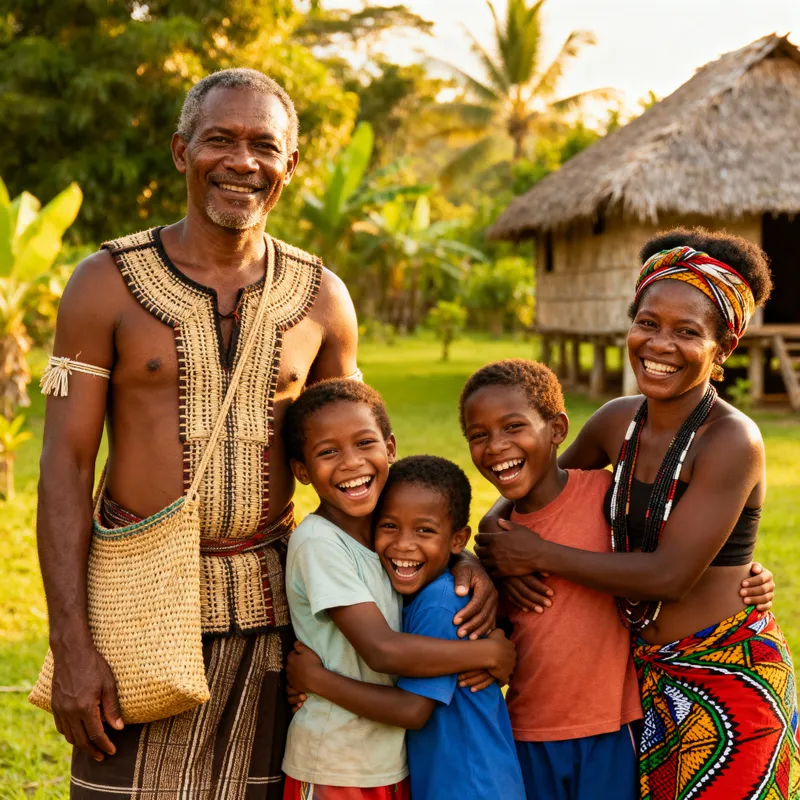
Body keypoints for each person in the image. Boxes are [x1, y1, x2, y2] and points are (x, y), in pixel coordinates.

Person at [35, 68, 495, 799]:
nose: (242, 162)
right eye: (220, 140)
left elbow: (364, 467)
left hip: (280, 618)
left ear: (290, 165)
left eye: (263, 145)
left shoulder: (321, 297)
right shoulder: (105, 283)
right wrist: (71, 645)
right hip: (137, 611)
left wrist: (456, 559)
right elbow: (63, 467)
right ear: (182, 152)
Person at [477, 228, 798, 799]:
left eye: (687, 332)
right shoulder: (616, 421)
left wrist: (537, 552)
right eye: (647, 323)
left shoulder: (731, 440)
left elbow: (670, 576)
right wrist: (494, 533)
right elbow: (529, 490)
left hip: (728, 678)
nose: (659, 344)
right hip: (638, 682)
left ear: (723, 350)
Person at [279, 381, 517, 799]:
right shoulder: (320, 543)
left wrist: (464, 560)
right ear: (301, 471)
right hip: (337, 762)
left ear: (389, 448)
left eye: (364, 443)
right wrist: (487, 653)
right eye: (328, 451)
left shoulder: (379, 538)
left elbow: (424, 537)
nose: (351, 463)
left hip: (386, 763)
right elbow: (382, 650)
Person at [460, 359, 641, 799]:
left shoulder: (605, 495)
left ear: (557, 429)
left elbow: (664, 561)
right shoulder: (498, 544)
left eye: (513, 427)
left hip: (610, 731)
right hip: (525, 732)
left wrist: (748, 576)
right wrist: (480, 566)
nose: (496, 446)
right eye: (478, 436)